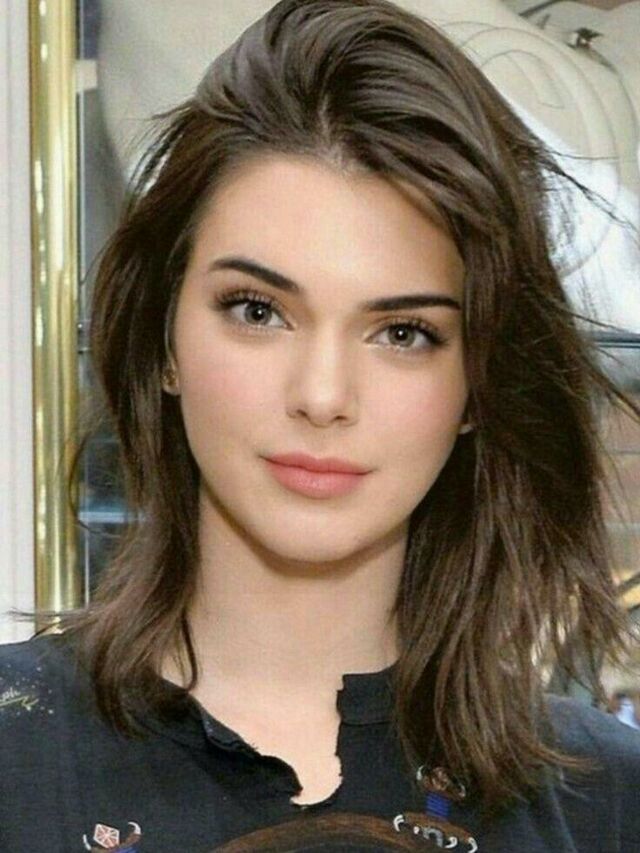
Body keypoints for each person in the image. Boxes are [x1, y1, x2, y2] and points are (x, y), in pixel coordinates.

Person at [2, 1, 640, 850]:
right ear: (163, 338)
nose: (323, 394)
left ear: (477, 385)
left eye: (403, 332)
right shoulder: (16, 757)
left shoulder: (607, 805)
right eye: (257, 310)